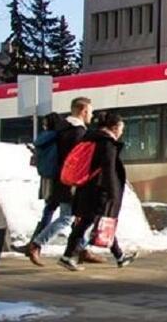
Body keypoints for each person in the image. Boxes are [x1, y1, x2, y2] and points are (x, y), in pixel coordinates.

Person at [60, 111, 137, 271]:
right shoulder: (107, 144)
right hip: (98, 191)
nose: (122, 132)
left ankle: (119, 256)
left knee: (96, 222)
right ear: (115, 128)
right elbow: (108, 170)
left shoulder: (92, 138)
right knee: (100, 222)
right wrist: (112, 193)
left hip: (87, 189)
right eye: (121, 128)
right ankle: (69, 256)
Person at [21, 97, 91, 266]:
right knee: (67, 218)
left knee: (79, 216)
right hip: (71, 182)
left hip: (61, 179)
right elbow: (76, 161)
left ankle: (81, 249)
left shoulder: (62, 129)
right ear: (83, 111)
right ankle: (37, 245)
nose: (92, 115)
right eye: (90, 111)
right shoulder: (78, 132)